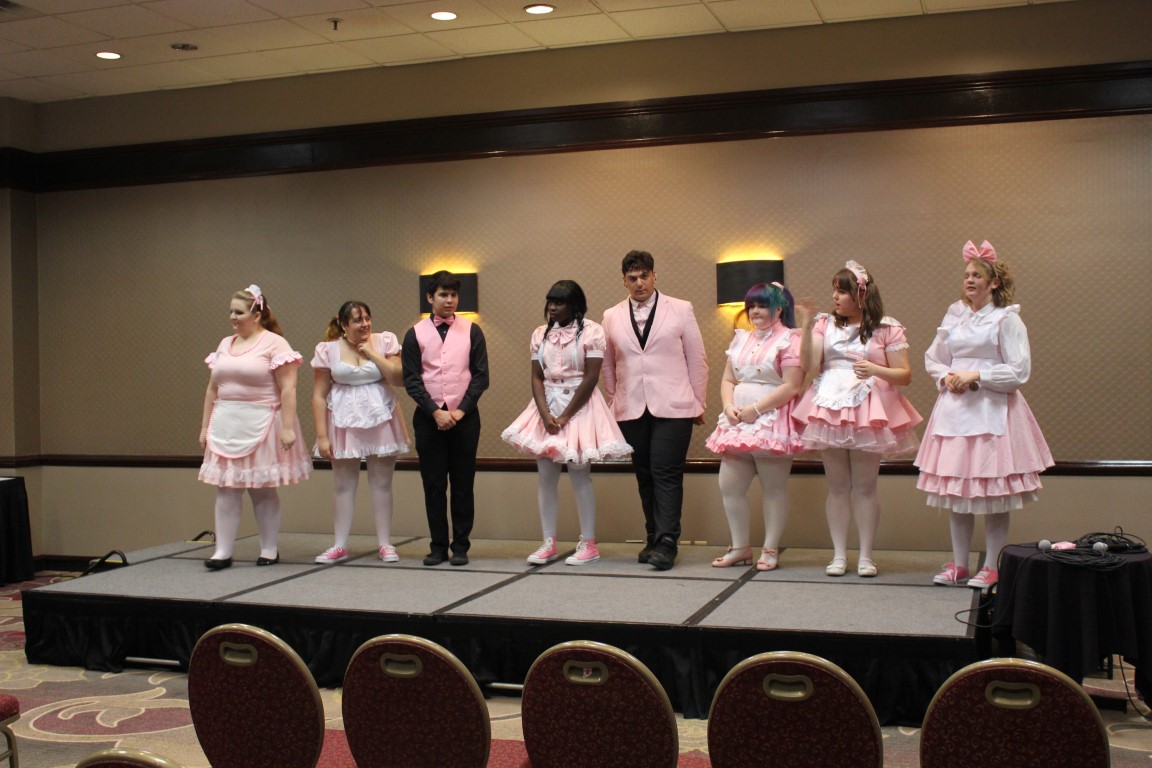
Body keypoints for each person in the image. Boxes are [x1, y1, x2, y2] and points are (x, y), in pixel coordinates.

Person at [916, 241, 1053, 589]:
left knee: (993, 492)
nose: (969, 280)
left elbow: (1019, 370)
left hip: (992, 410)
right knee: (957, 491)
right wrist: (947, 376)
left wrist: (977, 375)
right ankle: (960, 564)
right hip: (955, 410)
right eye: (966, 275)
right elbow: (934, 358)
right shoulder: (955, 315)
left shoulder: (1006, 318)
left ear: (994, 282)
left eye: (977, 275)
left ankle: (991, 565)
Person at [793, 262, 921, 578]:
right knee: (837, 487)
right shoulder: (825, 324)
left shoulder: (887, 327)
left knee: (865, 487)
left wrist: (875, 369)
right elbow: (809, 364)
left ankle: (866, 556)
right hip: (828, 404)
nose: (835, 297)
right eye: (834, 290)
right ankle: (838, 555)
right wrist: (807, 326)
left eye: (842, 291)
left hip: (867, 407)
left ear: (861, 294)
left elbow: (905, 375)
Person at [502, 281, 632, 566]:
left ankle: (589, 544)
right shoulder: (540, 334)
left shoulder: (592, 331)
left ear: (575, 305)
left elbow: (591, 377)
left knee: (579, 475)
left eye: (559, 302)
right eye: (550, 301)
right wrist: (545, 414)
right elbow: (537, 376)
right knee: (546, 477)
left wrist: (564, 416)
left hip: (580, 406)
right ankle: (548, 541)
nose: (552, 307)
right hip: (546, 405)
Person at [602, 250, 708, 571]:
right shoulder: (611, 316)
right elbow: (608, 365)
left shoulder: (681, 308)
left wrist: (698, 402)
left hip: (675, 405)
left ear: (654, 275)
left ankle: (668, 541)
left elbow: (697, 359)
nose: (640, 283)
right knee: (644, 473)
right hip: (631, 407)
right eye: (632, 278)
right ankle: (652, 537)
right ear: (624, 281)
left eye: (644, 276)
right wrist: (615, 400)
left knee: (666, 471)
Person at [198, 284, 311, 569]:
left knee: (262, 488)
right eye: (230, 312)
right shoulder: (225, 344)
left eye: (238, 312)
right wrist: (204, 427)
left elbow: (288, 388)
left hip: (263, 423)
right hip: (226, 425)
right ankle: (222, 551)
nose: (232, 317)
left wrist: (288, 427)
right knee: (226, 488)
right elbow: (212, 389)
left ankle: (269, 549)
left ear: (256, 315)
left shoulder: (275, 343)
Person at [705, 282, 805, 571]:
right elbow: (728, 379)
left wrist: (757, 410)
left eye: (763, 305)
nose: (755, 311)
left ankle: (770, 548)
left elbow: (792, 385)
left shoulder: (790, 339)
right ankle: (740, 547)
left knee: (773, 488)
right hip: (737, 420)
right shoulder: (741, 338)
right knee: (729, 485)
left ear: (779, 308)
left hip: (771, 420)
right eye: (752, 306)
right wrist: (728, 407)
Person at [402, 271, 490, 567]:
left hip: (465, 418)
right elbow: (412, 380)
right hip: (429, 419)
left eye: (453, 295)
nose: (449, 300)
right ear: (430, 297)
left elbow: (481, 377)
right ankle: (437, 547)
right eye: (443, 294)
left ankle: (461, 546)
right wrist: (436, 412)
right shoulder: (414, 333)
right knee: (434, 485)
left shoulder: (472, 331)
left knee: (463, 483)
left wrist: (460, 411)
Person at [311, 301, 409, 564]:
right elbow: (318, 395)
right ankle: (339, 544)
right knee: (343, 484)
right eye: (357, 320)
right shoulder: (327, 350)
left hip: (381, 415)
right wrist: (322, 435)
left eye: (367, 318)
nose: (365, 324)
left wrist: (372, 354)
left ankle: (385, 543)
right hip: (343, 419)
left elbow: (398, 377)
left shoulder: (384, 341)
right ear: (343, 325)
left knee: (382, 483)